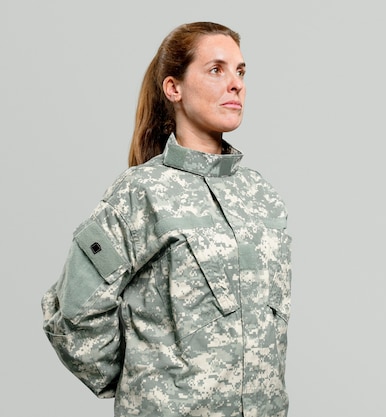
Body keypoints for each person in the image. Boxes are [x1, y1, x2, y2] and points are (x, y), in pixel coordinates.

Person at [41, 21, 292, 417]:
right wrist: (145, 383)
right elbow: (77, 311)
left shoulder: (262, 196)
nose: (236, 84)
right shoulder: (140, 193)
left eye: (240, 71)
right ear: (173, 88)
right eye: (216, 69)